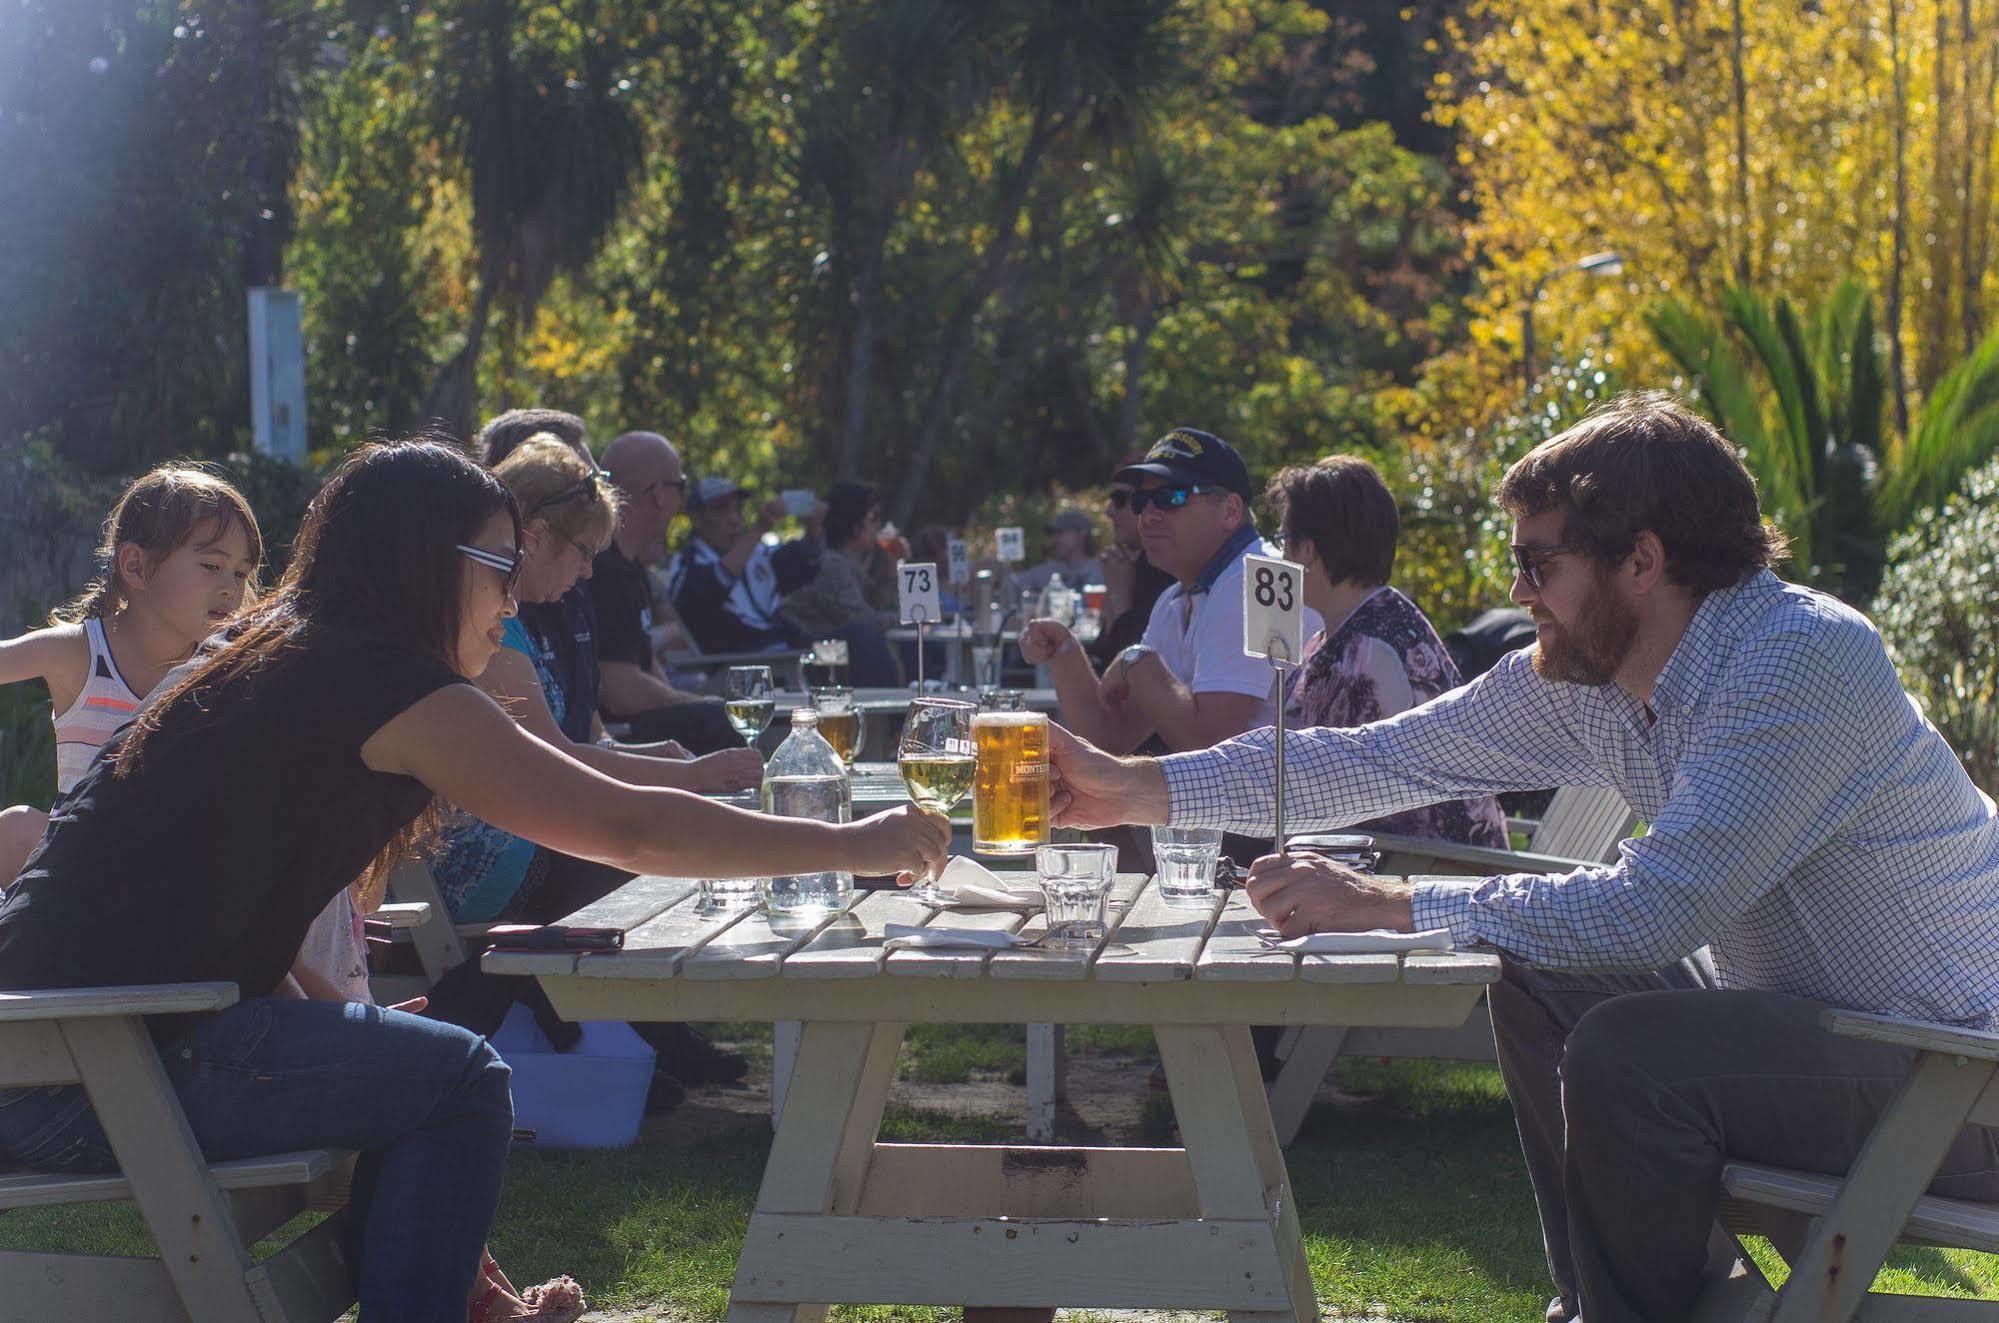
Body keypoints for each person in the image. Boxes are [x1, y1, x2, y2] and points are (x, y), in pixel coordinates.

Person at [1042, 393, 1999, 1323]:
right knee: (1540, 972)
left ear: (1640, 559)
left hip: (1951, 1076)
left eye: (1535, 562)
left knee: (1634, 1052)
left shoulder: (1797, 660)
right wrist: (1126, 787)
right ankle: (1601, 1300)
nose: (1515, 592)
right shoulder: (1601, 673)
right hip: (1819, 1035)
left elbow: (1651, 913)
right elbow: (1376, 756)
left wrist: (1387, 901)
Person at [0, 438, 951, 1323]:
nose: (514, 595)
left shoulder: (283, 657)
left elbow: (210, 895)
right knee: (456, 1078)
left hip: (74, 1046)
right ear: (427, 560)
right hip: (84, 1068)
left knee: (420, 1061)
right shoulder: (381, 683)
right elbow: (626, 825)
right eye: (500, 563)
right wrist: (858, 843)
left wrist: (342, 1014)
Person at [0, 464, 261, 881]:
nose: (231, 588)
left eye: (240, 573)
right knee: (14, 829)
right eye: (212, 566)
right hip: (82, 866)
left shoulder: (224, 670)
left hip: (174, 871)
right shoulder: (80, 653)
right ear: (136, 567)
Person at [1019, 427, 1321, 756]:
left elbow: (1213, 748)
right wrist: (1063, 652)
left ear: (1231, 511)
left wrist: (1136, 661)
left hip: (1296, 804)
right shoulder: (1179, 599)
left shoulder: (1259, 579)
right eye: (1140, 501)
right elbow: (1108, 740)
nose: (1147, 516)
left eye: (1171, 497)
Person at [1266, 456, 1507, 848]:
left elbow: (1338, 795)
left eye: (1283, 542)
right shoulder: (1373, 623)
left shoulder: (1370, 652)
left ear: (1306, 550)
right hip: (1391, 862)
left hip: (1417, 871)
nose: (1281, 557)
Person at [589, 432, 747, 751]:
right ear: (660, 494)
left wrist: (693, 702)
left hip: (631, 727)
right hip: (612, 740)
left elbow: (646, 663)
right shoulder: (603, 571)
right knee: (723, 720)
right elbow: (621, 692)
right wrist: (701, 704)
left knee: (722, 714)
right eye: (681, 485)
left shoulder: (629, 567)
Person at [666, 475, 809, 655]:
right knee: (854, 637)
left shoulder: (759, 555)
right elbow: (709, 590)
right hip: (744, 668)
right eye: (720, 509)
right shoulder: (688, 564)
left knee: (844, 643)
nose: (734, 519)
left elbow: (810, 558)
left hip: (788, 653)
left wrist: (800, 504)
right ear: (696, 519)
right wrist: (759, 529)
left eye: (739, 509)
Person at [780, 481, 900, 685]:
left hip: (832, 653)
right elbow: (864, 620)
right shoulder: (833, 565)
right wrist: (912, 619)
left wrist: (890, 567)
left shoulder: (847, 562)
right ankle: (896, 713)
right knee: (863, 636)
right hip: (813, 655)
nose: (876, 527)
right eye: (871, 519)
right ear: (855, 527)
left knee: (912, 646)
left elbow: (875, 602)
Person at [1085, 475, 1174, 673]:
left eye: (1119, 499)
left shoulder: (1173, 572)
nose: (1109, 511)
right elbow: (1103, 656)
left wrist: (1120, 600)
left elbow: (1139, 668)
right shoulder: (1128, 565)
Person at [1014, 510, 1105, 597]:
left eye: (1060, 533)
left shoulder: (1101, 572)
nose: (1053, 541)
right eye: (1052, 535)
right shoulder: (1045, 571)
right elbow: (1013, 584)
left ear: (1082, 533)